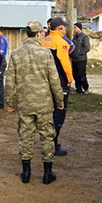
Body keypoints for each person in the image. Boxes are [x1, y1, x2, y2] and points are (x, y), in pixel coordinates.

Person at [5, 20, 64, 185]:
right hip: (44, 104)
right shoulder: (46, 53)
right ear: (39, 34)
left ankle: (26, 172)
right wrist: (59, 100)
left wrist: (9, 104)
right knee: (47, 136)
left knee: (25, 137)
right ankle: (47, 173)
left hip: (24, 103)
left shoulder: (16, 54)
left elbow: (10, 82)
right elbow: (54, 80)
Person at [41, 17, 73, 156]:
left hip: (46, 81)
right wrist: (69, 79)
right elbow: (65, 63)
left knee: (48, 113)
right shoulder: (60, 42)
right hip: (59, 82)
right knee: (59, 114)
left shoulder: (45, 40)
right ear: (59, 28)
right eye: (64, 27)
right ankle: (52, 144)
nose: (65, 29)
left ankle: (49, 141)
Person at [70, 22, 90, 94]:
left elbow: (87, 48)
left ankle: (86, 88)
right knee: (75, 74)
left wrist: (80, 53)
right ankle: (78, 89)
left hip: (81, 59)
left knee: (81, 74)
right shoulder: (74, 37)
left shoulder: (84, 37)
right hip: (74, 59)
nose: (74, 29)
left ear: (79, 28)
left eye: (75, 27)